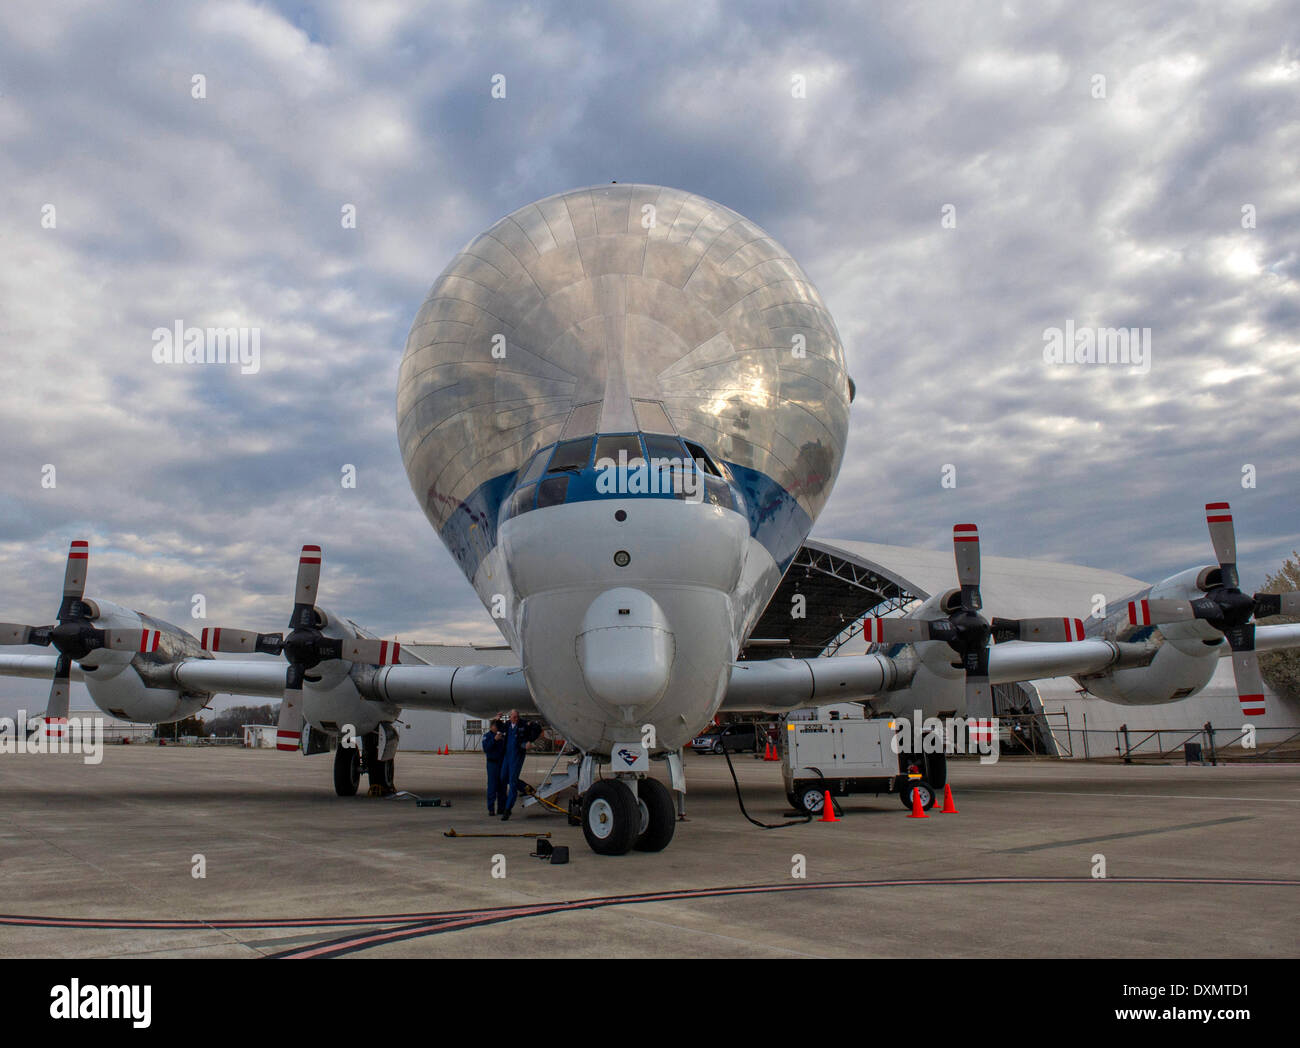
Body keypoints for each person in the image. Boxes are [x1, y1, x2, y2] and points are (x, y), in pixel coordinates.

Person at [498, 708, 541, 820]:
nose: (515, 719)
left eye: (516, 717)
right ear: (510, 717)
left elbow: (537, 728)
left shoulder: (524, 724)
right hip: (507, 755)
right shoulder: (507, 725)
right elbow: (499, 728)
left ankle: (507, 809)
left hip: (517, 755)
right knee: (503, 777)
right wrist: (497, 720)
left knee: (512, 782)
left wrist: (530, 741)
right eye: (513, 717)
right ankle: (523, 786)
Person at [481, 719, 507, 816]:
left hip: (502, 763)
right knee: (492, 786)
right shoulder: (487, 736)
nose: (497, 729)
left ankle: (501, 808)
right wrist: (494, 740)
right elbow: (486, 748)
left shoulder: (503, 736)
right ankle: (491, 809)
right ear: (492, 726)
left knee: (502, 786)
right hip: (492, 764)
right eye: (496, 726)